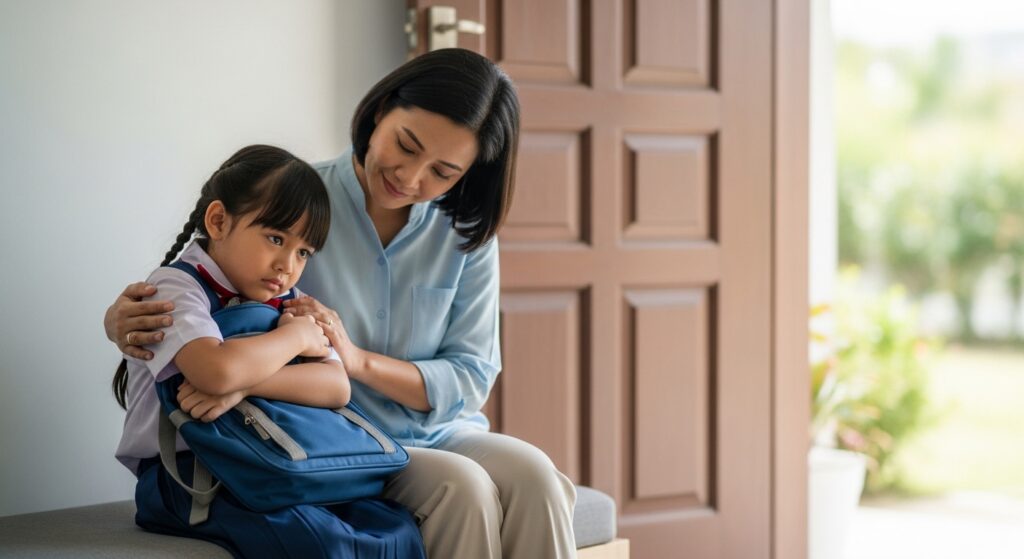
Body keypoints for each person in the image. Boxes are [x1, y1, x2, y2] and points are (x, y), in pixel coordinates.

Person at [106, 48, 577, 558]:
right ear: (380, 112)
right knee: (462, 486)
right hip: (338, 436)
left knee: (539, 477)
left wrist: (356, 361)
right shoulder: (297, 206)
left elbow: (471, 375)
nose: (411, 177)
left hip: (439, 429)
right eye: (406, 144)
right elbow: (208, 281)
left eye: (443, 172)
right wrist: (119, 320)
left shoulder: (466, 236)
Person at [113, 144, 425, 559]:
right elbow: (215, 373)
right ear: (219, 221)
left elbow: (335, 387)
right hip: (187, 475)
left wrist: (243, 389)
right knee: (318, 541)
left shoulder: (288, 299)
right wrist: (295, 339)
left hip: (264, 461)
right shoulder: (177, 288)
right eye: (275, 238)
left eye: (303, 253)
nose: (287, 265)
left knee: (393, 526)